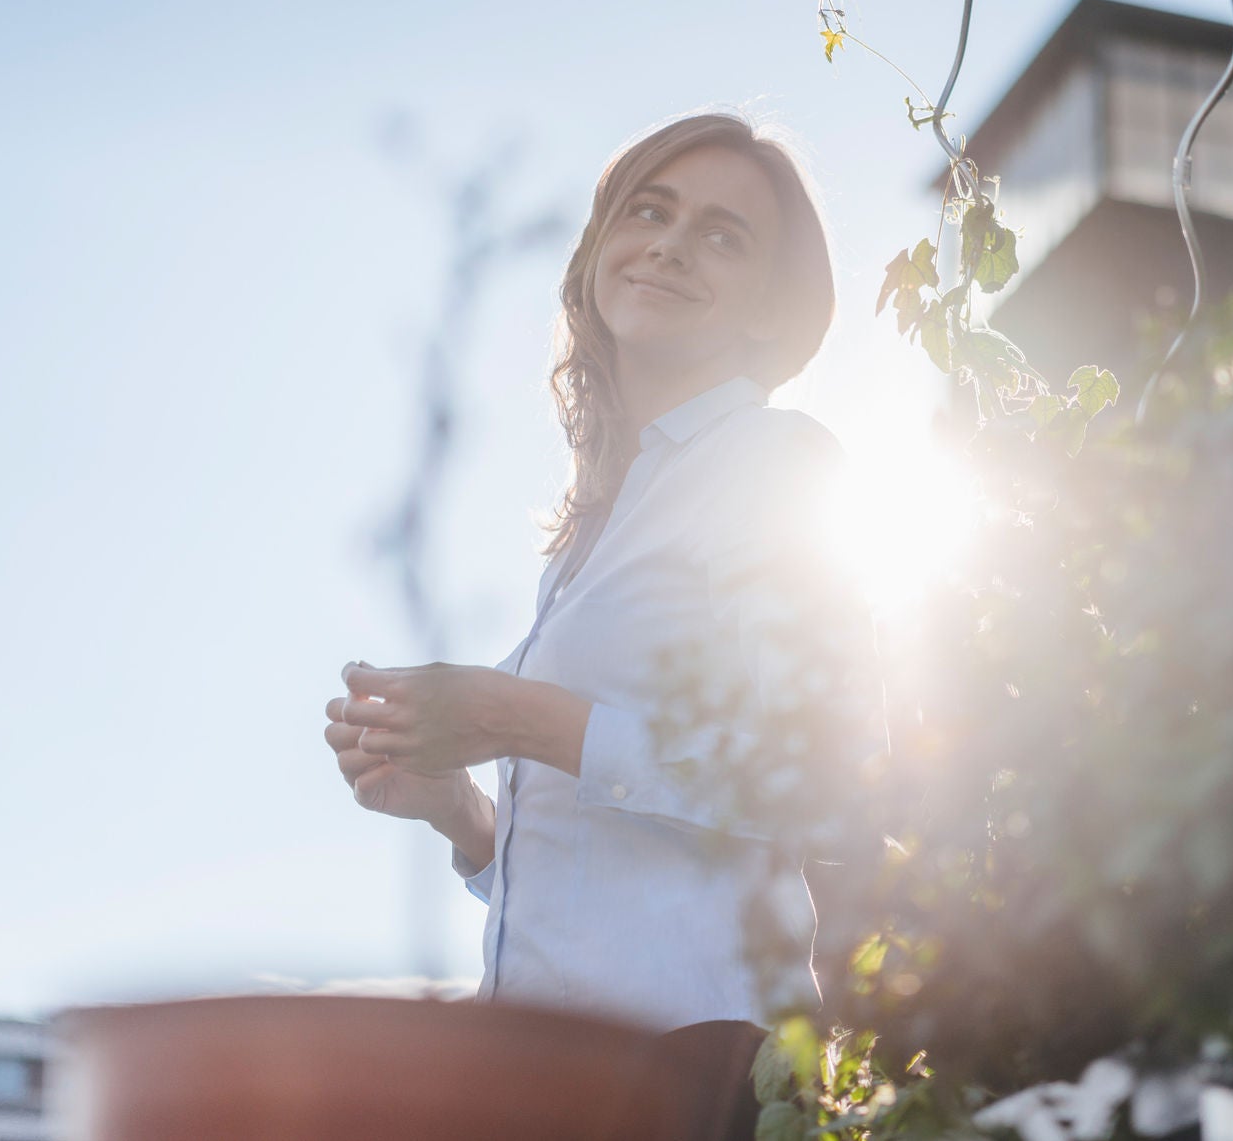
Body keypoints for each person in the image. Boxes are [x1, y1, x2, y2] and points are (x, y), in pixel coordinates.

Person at [321, 110, 885, 1137]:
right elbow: (615, 887)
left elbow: (830, 771)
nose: (669, 243)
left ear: (771, 306)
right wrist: (464, 818)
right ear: (596, 253)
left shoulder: (772, 463)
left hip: (701, 1072)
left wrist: (522, 717)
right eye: (649, 210)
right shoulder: (590, 533)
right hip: (555, 1083)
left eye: (722, 234)